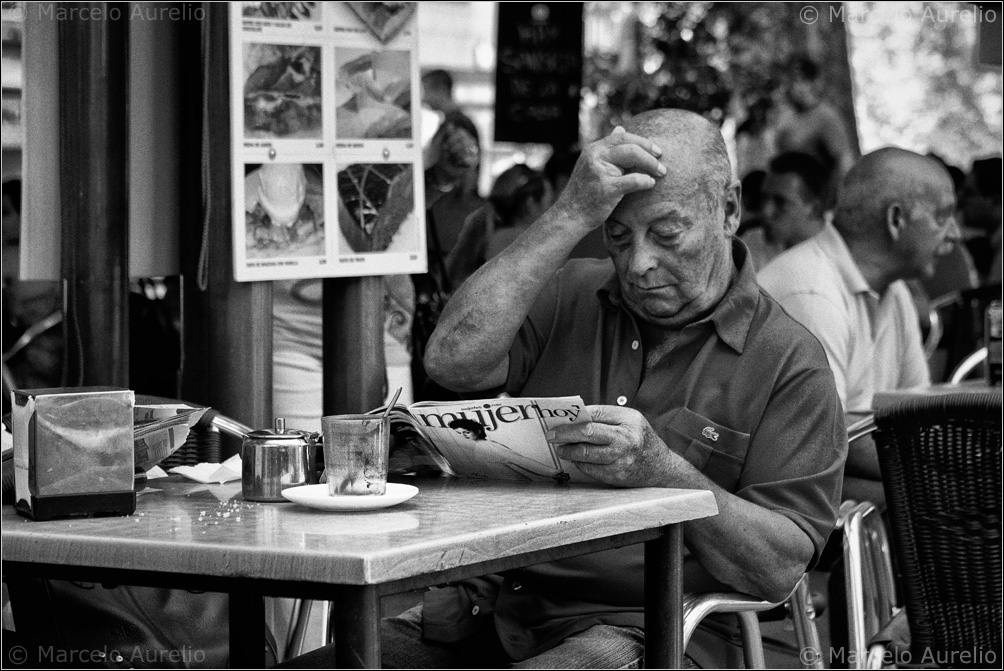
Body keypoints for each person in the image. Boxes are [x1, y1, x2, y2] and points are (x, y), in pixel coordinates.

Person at [286, 109, 846, 668]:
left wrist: (667, 475)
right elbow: (451, 361)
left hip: (660, 630)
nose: (639, 263)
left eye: (668, 234)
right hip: (496, 609)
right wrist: (570, 213)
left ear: (729, 210)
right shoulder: (576, 293)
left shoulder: (788, 360)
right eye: (619, 237)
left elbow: (778, 567)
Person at [758, 148, 960, 506]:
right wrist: (951, 472)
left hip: (840, 487)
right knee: (950, 499)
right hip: (790, 507)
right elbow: (823, 445)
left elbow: (918, 411)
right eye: (943, 217)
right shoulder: (812, 291)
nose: (954, 234)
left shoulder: (894, 291)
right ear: (896, 220)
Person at [774, 56, 856, 207]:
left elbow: (844, 161)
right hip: (793, 203)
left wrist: (830, 205)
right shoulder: (786, 119)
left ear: (812, 82)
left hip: (819, 205)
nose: (793, 87)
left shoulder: (826, 117)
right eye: (789, 81)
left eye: (799, 80)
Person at [740, 152, 828, 270]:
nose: (765, 212)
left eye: (780, 202)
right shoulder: (752, 245)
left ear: (814, 209)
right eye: (764, 198)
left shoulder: (843, 252)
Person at [445, 418, 558, 481]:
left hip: (517, 485)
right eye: (460, 433)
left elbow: (520, 460)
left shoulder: (488, 446)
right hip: (504, 485)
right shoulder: (479, 446)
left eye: (467, 432)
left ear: (478, 431)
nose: (463, 435)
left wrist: (551, 473)